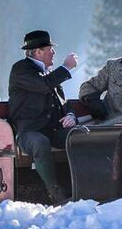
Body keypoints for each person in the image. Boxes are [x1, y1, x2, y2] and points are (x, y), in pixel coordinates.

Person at [8, 29, 78, 206]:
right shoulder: (20, 69)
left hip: (53, 130)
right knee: (40, 142)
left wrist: (70, 115)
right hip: (28, 132)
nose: (53, 52)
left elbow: (63, 101)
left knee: (80, 137)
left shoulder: (49, 72)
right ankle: (53, 191)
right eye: (50, 48)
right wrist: (66, 67)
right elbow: (43, 85)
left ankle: (84, 185)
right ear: (38, 51)